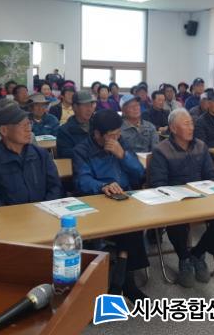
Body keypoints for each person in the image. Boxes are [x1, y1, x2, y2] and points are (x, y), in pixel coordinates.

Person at [148, 108, 214, 287]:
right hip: (175, 201)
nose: (191, 128)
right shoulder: (161, 150)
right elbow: (158, 184)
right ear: (173, 128)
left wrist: (206, 189)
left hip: (201, 198)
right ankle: (184, 258)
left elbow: (211, 176)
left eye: (192, 124)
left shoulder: (201, 146)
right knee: (177, 220)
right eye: (186, 124)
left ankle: (197, 253)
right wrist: (178, 193)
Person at [72, 110, 148, 301]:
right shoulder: (82, 150)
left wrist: (123, 156)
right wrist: (102, 186)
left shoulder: (121, 144)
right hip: (99, 201)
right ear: (97, 134)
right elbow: (82, 181)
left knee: (133, 221)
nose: (116, 138)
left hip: (125, 198)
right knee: (130, 226)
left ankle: (120, 279)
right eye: (111, 135)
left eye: (118, 133)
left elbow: (140, 173)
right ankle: (126, 281)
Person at [0, 104, 63, 208]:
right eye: (22, 125)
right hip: (8, 216)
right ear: (4, 130)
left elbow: (55, 187)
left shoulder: (42, 155)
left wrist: (44, 210)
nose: (28, 129)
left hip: (42, 213)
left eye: (29, 124)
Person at [56, 91, 96, 158]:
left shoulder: (97, 125)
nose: (89, 109)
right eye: (85, 105)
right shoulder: (64, 131)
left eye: (91, 105)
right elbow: (64, 154)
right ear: (75, 107)